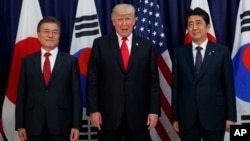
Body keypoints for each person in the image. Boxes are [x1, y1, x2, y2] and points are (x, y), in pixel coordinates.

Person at [86, 3, 160, 141]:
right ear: (113, 22)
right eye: (120, 19)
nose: (124, 23)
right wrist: (93, 110)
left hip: (139, 116)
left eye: (128, 19)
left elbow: (154, 82)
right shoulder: (100, 44)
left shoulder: (147, 46)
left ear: (134, 21)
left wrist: (154, 111)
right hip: (108, 116)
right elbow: (92, 79)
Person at [171, 7, 237, 141]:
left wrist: (231, 117)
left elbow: (229, 87)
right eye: (190, 24)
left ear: (208, 26)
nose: (194, 27)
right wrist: (175, 117)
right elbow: (176, 87)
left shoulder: (222, 52)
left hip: (215, 117)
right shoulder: (179, 53)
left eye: (198, 23)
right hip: (187, 118)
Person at [15, 16, 82, 141]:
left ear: (59, 35)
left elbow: (76, 96)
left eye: (55, 32)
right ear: (39, 35)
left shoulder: (70, 61)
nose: (50, 35)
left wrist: (76, 125)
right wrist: (20, 125)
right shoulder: (27, 61)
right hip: (33, 124)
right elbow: (21, 94)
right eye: (46, 31)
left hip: (62, 123)